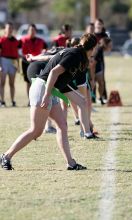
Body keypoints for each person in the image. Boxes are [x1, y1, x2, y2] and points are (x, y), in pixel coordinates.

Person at [0, 33, 97, 171]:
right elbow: (53, 73)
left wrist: (79, 100)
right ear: (92, 48)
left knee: (62, 125)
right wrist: (46, 95)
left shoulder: (78, 55)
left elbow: (63, 82)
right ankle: (6, 156)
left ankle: (71, 163)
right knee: (36, 131)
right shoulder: (74, 55)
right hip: (43, 89)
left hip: (50, 90)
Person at [20, 24, 48, 104]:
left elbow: (46, 49)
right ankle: (30, 99)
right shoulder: (22, 40)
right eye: (30, 30)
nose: (32, 32)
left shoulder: (41, 40)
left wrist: (43, 53)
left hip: (36, 63)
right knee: (28, 82)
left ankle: (37, 98)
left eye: (33, 30)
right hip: (25, 62)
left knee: (37, 81)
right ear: (28, 31)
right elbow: (17, 48)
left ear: (35, 31)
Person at [0, 22, 20, 107]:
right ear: (5, 29)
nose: (10, 30)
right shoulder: (1, 40)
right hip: (4, 60)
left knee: (12, 83)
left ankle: (12, 101)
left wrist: (18, 66)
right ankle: (2, 101)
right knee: (2, 82)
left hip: (13, 61)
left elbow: (17, 54)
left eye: (11, 28)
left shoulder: (16, 41)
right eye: (8, 28)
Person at [90, 37, 112, 105]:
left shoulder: (101, 50)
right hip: (93, 70)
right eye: (110, 45)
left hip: (98, 70)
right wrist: (92, 77)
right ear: (105, 44)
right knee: (92, 85)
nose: (111, 47)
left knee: (101, 83)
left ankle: (101, 98)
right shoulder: (98, 50)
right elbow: (93, 64)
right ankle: (90, 101)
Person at [94, 18, 109, 103]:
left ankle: (102, 97)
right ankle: (93, 98)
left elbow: (108, 48)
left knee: (101, 80)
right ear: (95, 25)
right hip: (92, 59)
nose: (99, 25)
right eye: (97, 23)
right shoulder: (92, 35)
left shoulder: (105, 36)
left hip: (100, 60)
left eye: (100, 24)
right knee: (92, 79)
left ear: (102, 25)